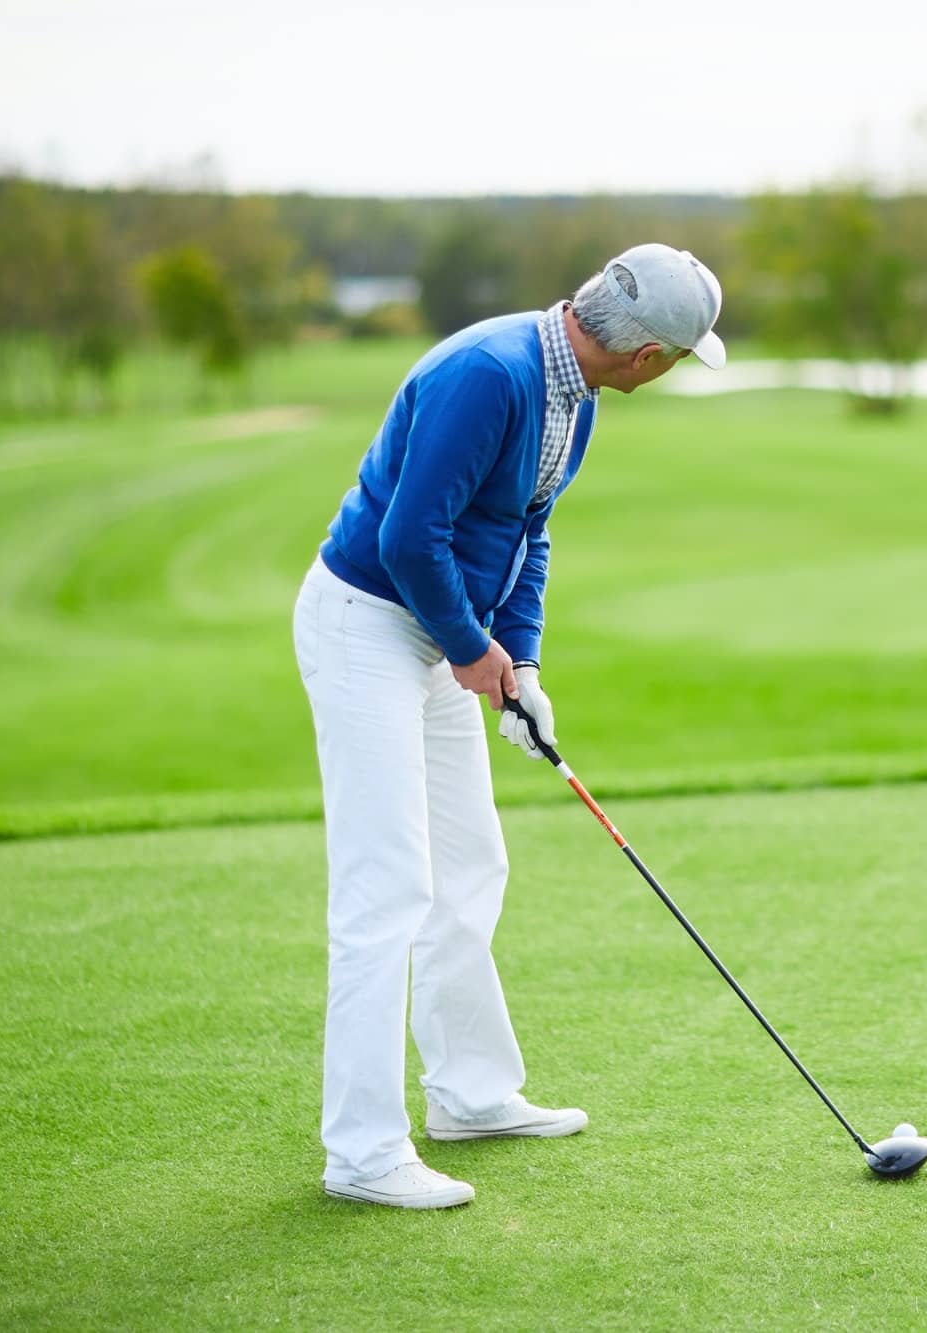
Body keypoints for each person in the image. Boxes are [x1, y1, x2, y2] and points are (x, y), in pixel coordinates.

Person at [291, 244, 726, 1208]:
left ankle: (472, 1094)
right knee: (386, 889)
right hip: (367, 621)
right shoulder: (489, 374)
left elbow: (528, 529)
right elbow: (409, 537)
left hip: (441, 628)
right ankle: (361, 1153)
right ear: (648, 353)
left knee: (471, 860)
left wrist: (517, 661)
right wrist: (469, 648)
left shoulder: (577, 400)